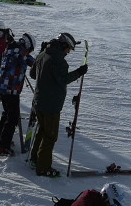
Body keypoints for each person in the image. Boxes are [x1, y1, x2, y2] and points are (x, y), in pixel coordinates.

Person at [29, 32, 88, 177]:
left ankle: (35, 159)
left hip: (38, 101)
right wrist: (79, 72)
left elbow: (32, 74)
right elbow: (63, 79)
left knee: (43, 131)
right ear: (63, 45)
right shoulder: (59, 60)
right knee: (50, 136)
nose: (68, 52)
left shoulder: (44, 53)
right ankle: (43, 168)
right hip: (51, 105)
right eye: (69, 49)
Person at [0, 32, 36, 156]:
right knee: (12, 118)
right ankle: (3, 147)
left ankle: (1, 141)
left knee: (6, 114)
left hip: (2, 87)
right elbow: (35, 64)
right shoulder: (22, 52)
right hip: (11, 89)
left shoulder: (9, 48)